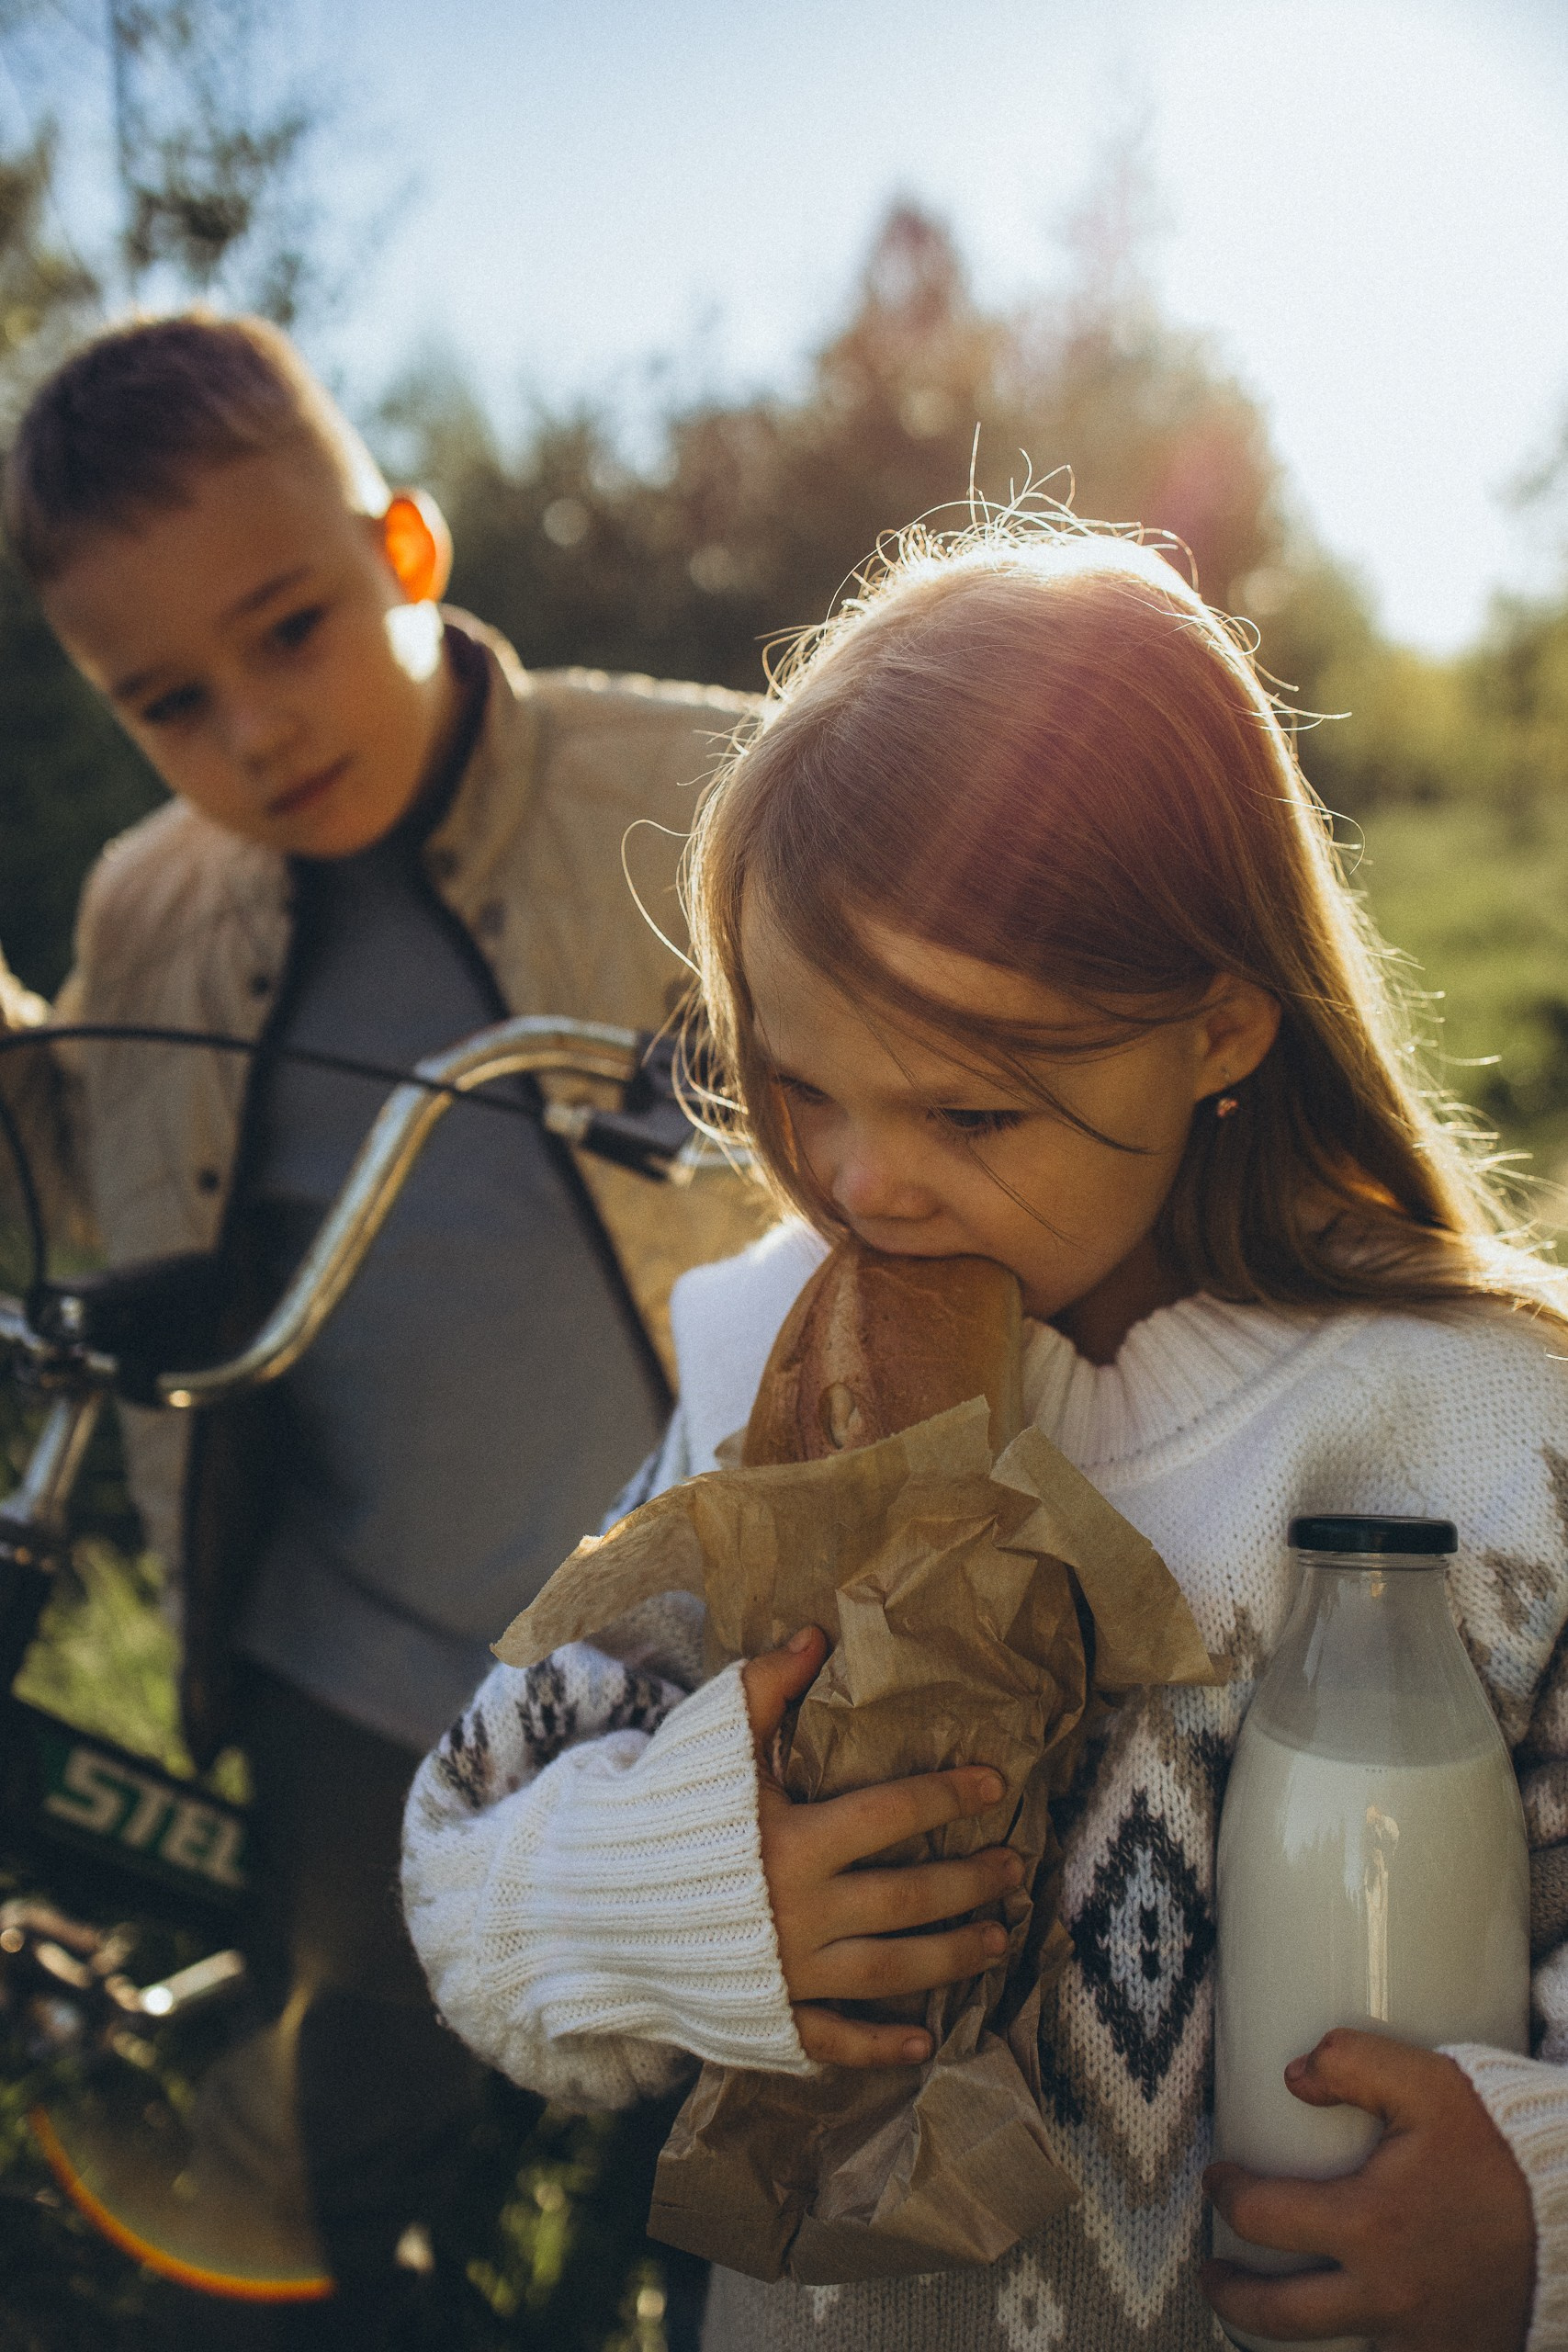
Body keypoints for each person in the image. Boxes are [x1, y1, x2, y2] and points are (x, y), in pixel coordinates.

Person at [401, 520, 1568, 2352]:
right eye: (794, 1081)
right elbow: (461, 1857)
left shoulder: (1483, 1443)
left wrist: (1537, 2219)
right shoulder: (765, 1399)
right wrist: (701, 1895)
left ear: (1216, 1026)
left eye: (969, 1103)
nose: (863, 1180)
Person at [0, 311, 761, 2334]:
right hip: (360, 1669)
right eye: (167, 698)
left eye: (292, 626)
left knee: (760, 2183)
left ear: (405, 549)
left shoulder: (697, 792)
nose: (254, 728)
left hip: (728, 1654)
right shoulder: (152, 909)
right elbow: (68, 1177)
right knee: (336, 2166)